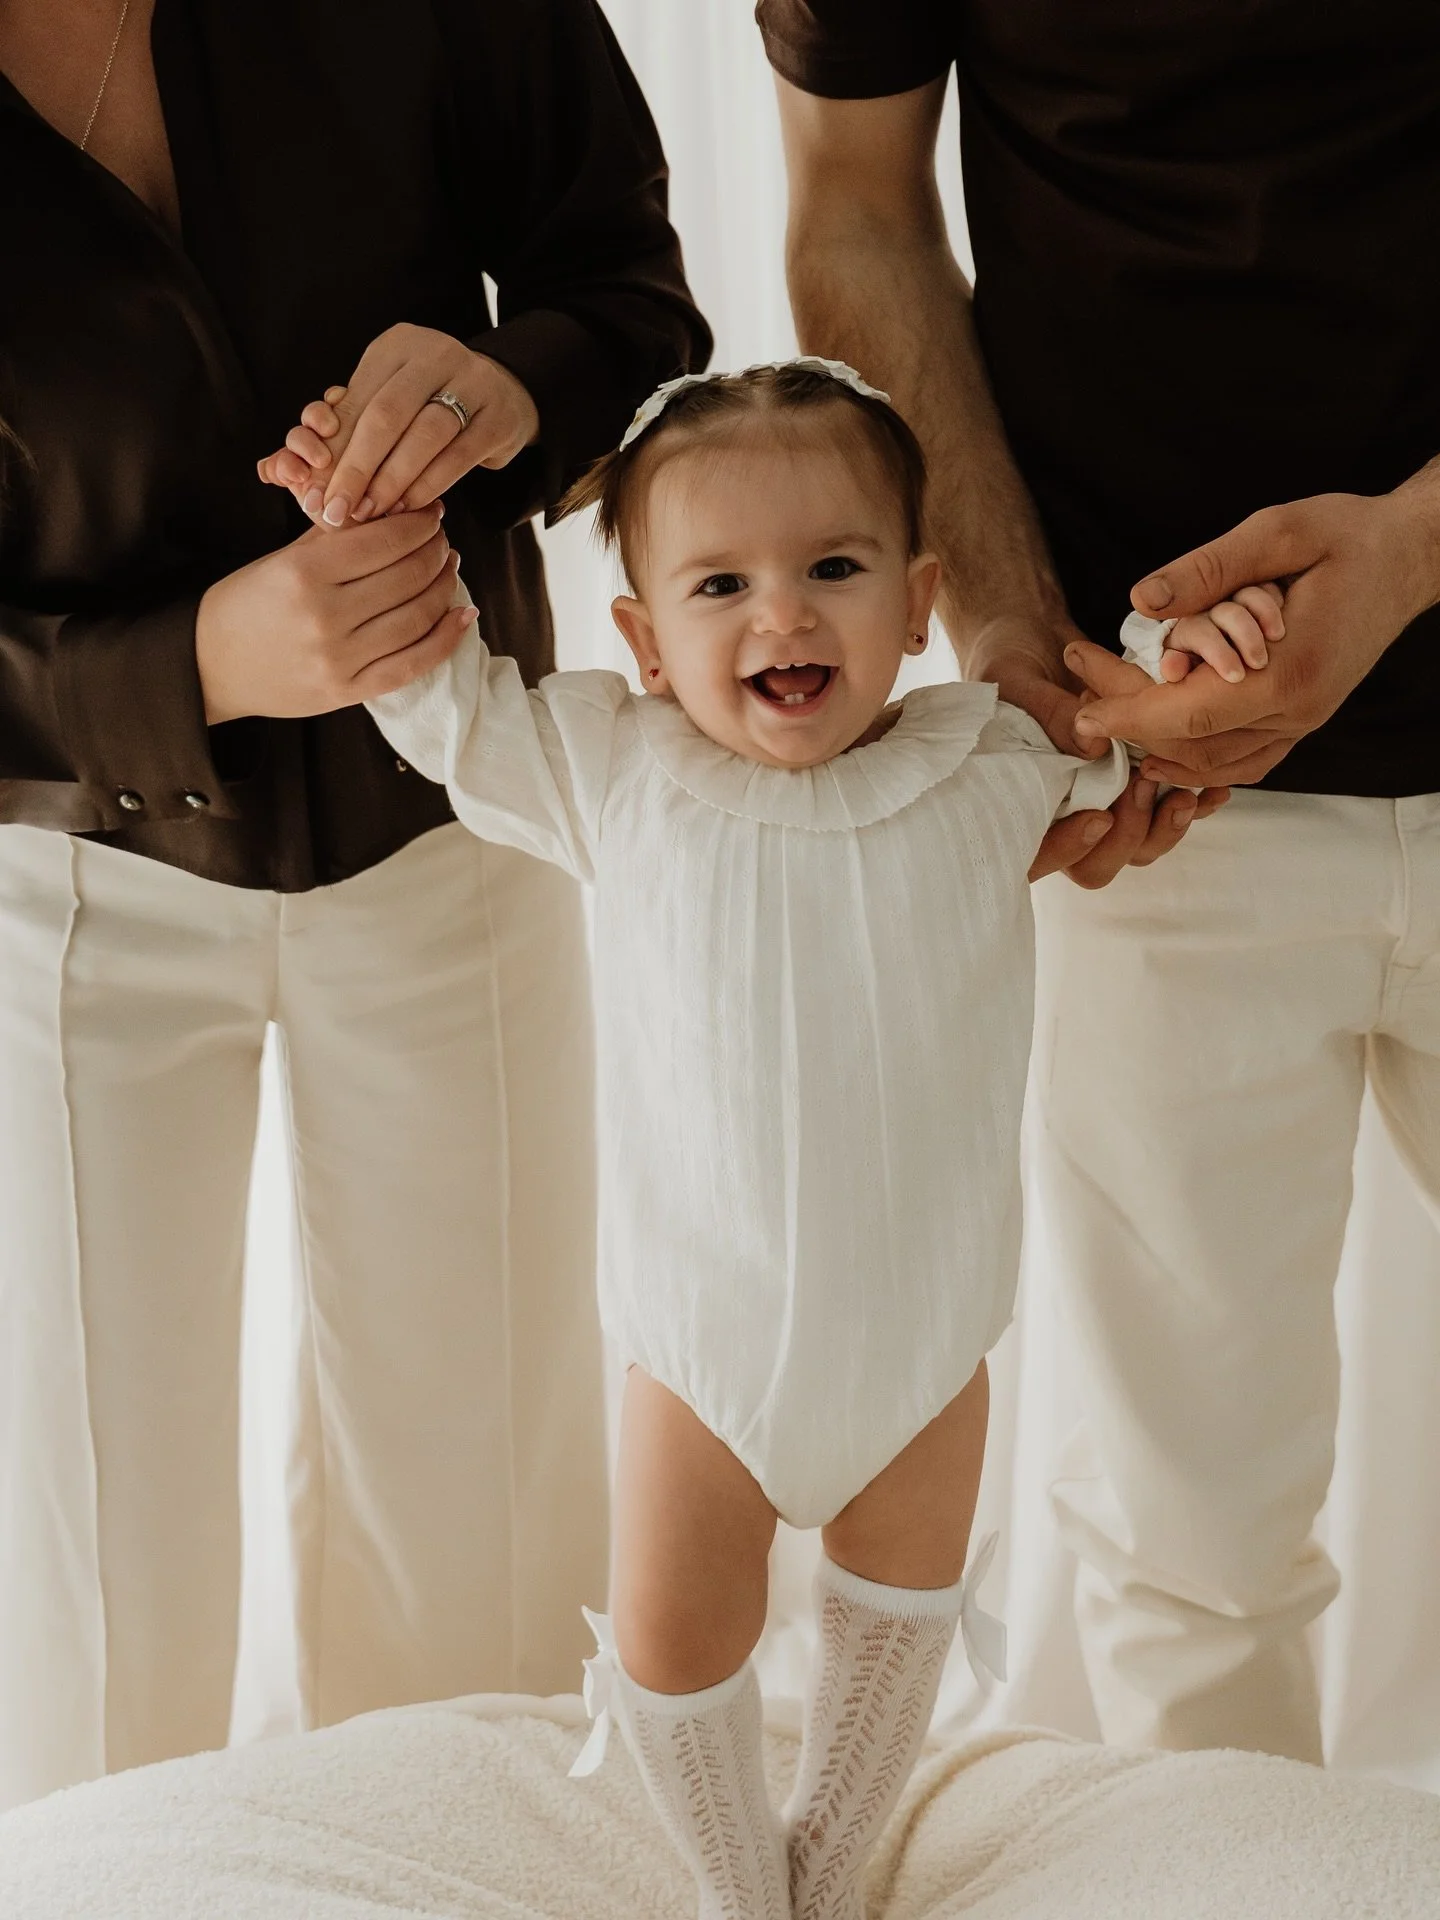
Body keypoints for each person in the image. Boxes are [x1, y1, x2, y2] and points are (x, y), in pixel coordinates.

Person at [291, 356, 1241, 1920]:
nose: (783, 616)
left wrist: (1196, 648)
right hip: (702, 1343)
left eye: (835, 570)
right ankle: (741, 1890)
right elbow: (445, 710)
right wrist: (384, 526)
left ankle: (829, 1866)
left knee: (895, 1618)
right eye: (720, 584)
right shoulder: (612, 765)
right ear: (644, 641)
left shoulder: (988, 760)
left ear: (919, 601)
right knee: (673, 1640)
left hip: (920, 1332)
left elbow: (1146, 722)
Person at [0, 0, 708, 1811]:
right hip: (60, 879)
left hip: (458, 819)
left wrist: (515, 386)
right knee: (84, 1592)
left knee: (485, 1544)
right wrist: (187, 666)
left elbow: (632, 296)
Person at [759, 0, 1440, 1762]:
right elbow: (857, 204)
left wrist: (1414, 550)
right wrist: (1002, 628)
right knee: (1187, 1551)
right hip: (1142, 788)